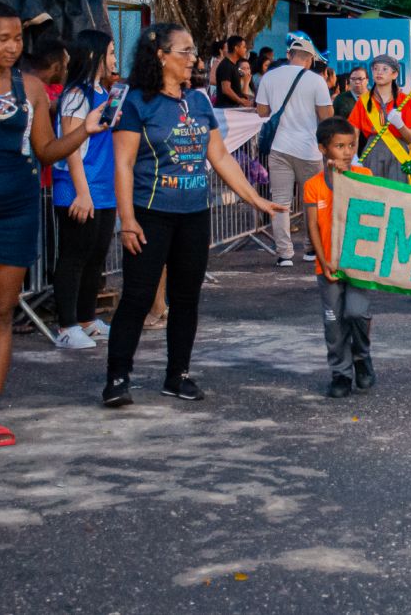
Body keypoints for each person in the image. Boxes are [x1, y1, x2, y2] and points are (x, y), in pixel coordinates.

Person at [102, 23, 283, 407]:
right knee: (137, 297)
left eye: (193, 51)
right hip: (150, 214)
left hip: (194, 215)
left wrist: (256, 199)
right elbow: (123, 164)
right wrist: (127, 220)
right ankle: (118, 377)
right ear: (160, 56)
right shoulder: (135, 103)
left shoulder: (199, 102)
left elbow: (220, 157)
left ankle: (177, 375)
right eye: (184, 51)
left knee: (186, 298)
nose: (193, 59)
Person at [0, 0, 109, 447]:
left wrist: (83, 131)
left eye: (18, 38)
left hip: (15, 211)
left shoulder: (32, 88)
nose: (13, 47)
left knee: (0, 313)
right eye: (3, 38)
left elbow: (46, 151)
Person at [51, 30, 119, 349]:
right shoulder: (76, 95)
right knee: (74, 256)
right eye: (111, 52)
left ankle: (87, 320)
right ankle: (66, 326)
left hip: (104, 188)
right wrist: (82, 192)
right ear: (94, 56)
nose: (115, 59)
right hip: (79, 188)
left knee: (96, 257)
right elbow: (71, 148)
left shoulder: (103, 92)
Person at [303, 116, 375, 398]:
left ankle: (362, 357)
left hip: (358, 262)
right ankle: (340, 373)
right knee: (333, 323)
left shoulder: (364, 175)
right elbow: (312, 226)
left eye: (351, 146)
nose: (347, 152)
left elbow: (371, 210)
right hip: (328, 265)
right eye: (339, 146)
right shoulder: (313, 185)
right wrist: (323, 261)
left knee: (357, 312)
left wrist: (347, 178)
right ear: (323, 149)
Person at [255, 33, 334, 267]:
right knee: (312, 201)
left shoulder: (269, 77)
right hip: (309, 150)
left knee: (280, 201)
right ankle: (311, 249)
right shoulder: (316, 81)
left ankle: (284, 254)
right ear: (309, 59)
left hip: (279, 148)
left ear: (289, 54)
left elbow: (262, 111)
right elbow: (326, 116)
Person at [347, 54, 411, 184]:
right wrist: (353, 157)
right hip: (373, 151)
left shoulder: (405, 100)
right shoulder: (364, 101)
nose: (379, 72)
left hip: (398, 153)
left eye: (385, 69)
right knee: (373, 191)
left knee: (397, 191)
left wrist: (400, 125)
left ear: (394, 74)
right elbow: (353, 134)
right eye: (375, 68)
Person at [213, 35, 251, 109]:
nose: (245, 50)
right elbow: (226, 89)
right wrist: (240, 101)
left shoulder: (234, 65)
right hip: (226, 109)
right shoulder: (226, 65)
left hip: (233, 108)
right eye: (244, 47)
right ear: (236, 48)